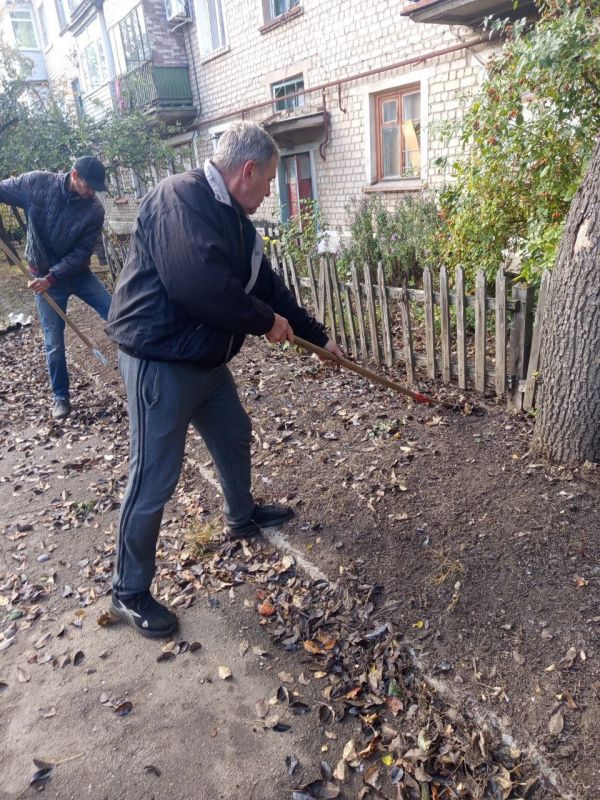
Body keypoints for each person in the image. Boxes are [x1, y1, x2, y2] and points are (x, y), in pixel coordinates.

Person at [106, 121, 343, 638]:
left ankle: (241, 515)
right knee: (153, 476)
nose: (270, 193)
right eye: (269, 181)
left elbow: (270, 289)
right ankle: (128, 590)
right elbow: (198, 285)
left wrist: (318, 338)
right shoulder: (179, 198)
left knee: (234, 433)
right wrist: (263, 322)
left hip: (206, 362)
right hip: (159, 361)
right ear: (247, 171)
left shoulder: (239, 224)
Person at [0, 156, 112, 420]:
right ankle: (60, 397)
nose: (92, 192)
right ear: (74, 175)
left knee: (117, 313)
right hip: (42, 276)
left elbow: (81, 253)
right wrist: (47, 280)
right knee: (54, 342)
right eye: (89, 185)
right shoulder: (37, 183)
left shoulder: (94, 210)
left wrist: (52, 277)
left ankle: (145, 365)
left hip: (78, 274)